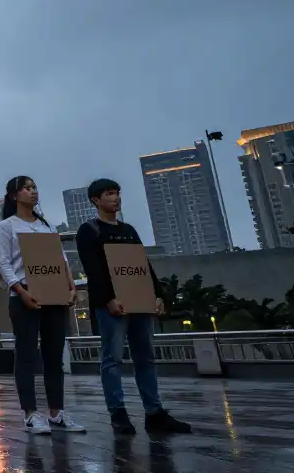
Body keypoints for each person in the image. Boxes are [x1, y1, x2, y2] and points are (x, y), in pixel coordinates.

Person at [76, 178, 192, 436]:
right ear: (95, 199)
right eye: (109, 194)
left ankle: (155, 412)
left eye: (117, 193)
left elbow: (143, 265)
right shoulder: (89, 230)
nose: (115, 198)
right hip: (112, 306)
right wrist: (108, 299)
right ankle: (118, 413)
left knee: (146, 358)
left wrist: (157, 295)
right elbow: (93, 269)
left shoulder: (128, 230)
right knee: (112, 359)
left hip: (139, 302)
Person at [0, 176, 85, 436]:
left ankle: (57, 413)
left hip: (53, 296)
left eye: (35, 188)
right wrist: (20, 291)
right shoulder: (6, 226)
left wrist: (71, 286)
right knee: (26, 356)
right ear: (14, 195)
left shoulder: (47, 226)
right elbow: (4, 263)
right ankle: (31, 413)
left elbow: (61, 259)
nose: (33, 192)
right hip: (25, 297)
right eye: (27, 188)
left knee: (54, 356)